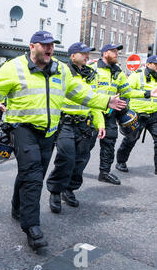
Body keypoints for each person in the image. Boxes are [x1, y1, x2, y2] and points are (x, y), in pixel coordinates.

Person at [0, 31, 127, 251]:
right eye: (45, 45)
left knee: (33, 174)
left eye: (52, 45)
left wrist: (106, 100)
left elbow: (79, 92)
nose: (50, 49)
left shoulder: (60, 69)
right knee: (33, 176)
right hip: (23, 130)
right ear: (32, 46)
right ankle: (32, 227)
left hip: (49, 132)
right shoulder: (13, 68)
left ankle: (17, 206)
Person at [46, 42, 106, 213]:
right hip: (65, 122)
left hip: (85, 124)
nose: (87, 56)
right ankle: (56, 191)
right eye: (83, 53)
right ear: (73, 56)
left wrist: (100, 123)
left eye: (88, 53)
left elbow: (95, 101)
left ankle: (69, 189)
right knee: (66, 157)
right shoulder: (62, 73)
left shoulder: (92, 75)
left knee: (81, 160)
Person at [91, 44, 157, 185]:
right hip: (92, 112)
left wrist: (147, 93)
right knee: (84, 148)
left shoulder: (118, 72)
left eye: (117, 51)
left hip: (110, 114)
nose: (117, 53)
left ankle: (105, 172)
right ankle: (71, 178)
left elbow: (127, 92)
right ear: (104, 53)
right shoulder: (93, 69)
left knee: (109, 143)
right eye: (113, 51)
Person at [116, 55, 157, 175]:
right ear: (148, 64)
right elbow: (126, 92)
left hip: (154, 115)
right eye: (155, 64)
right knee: (130, 139)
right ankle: (121, 162)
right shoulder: (136, 76)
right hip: (138, 114)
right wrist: (123, 111)